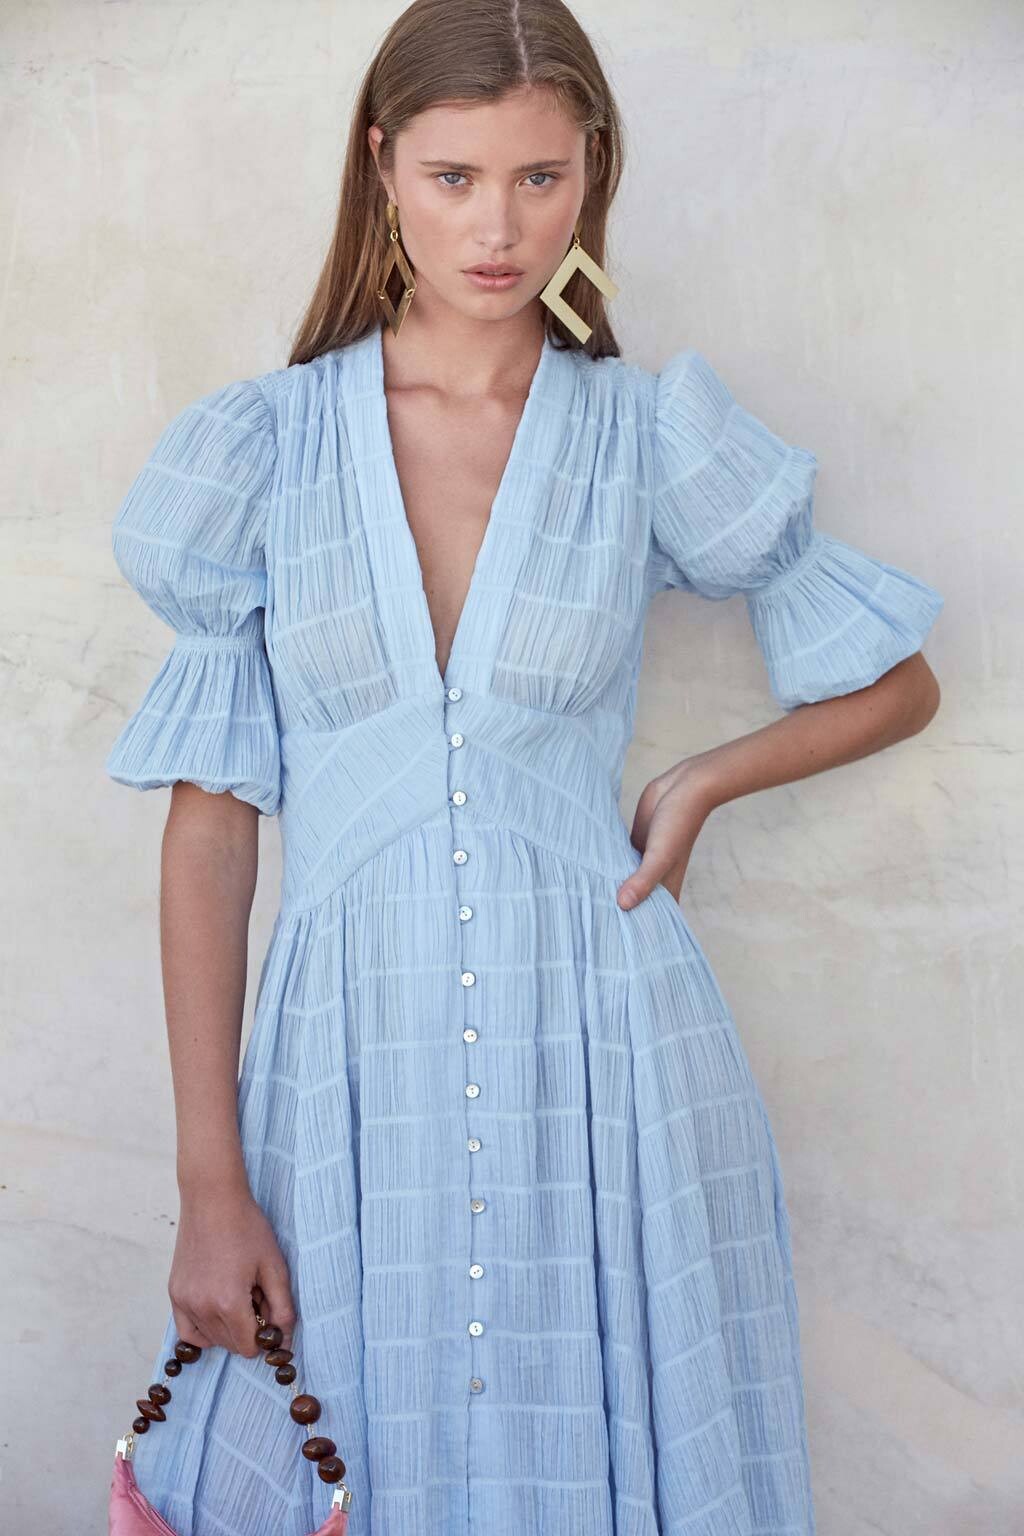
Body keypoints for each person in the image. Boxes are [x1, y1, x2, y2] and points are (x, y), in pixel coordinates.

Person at [103, 3, 943, 1533]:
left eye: (540, 178)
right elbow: (211, 831)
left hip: (607, 1061)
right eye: (454, 178)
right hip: (342, 1075)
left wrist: (701, 782)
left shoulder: (645, 433)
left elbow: (900, 682)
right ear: (381, 167)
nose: (497, 229)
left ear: (592, 174)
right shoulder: (262, 451)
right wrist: (208, 1182)